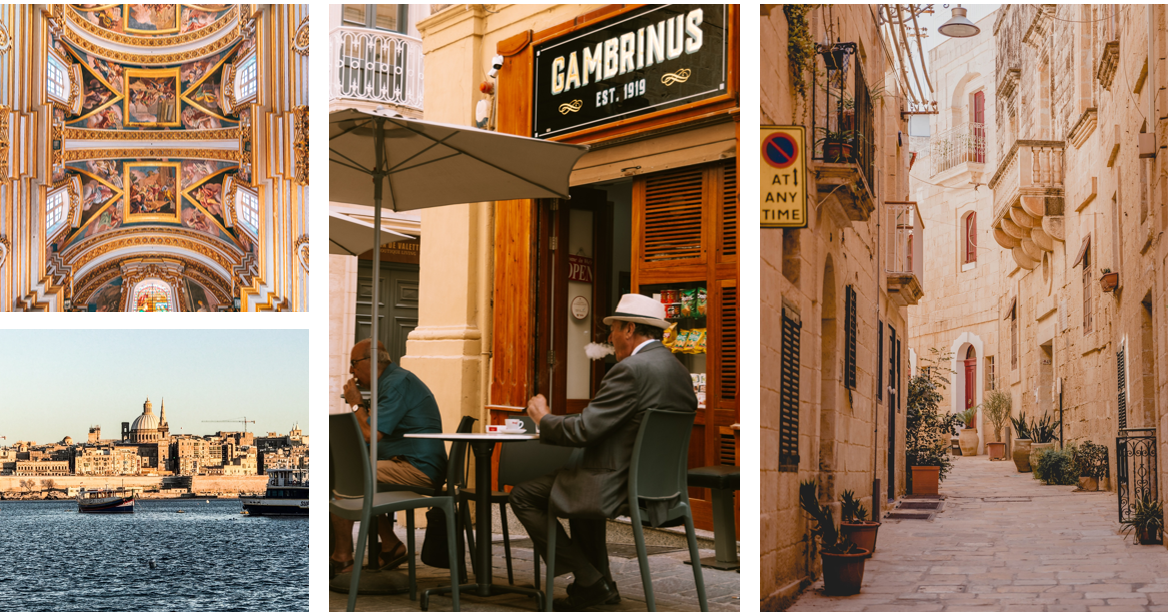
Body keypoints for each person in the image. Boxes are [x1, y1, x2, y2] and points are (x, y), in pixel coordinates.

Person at [512, 293, 698, 612]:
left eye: (613, 329)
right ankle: (600, 587)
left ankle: (588, 579)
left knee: (524, 496)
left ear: (628, 329)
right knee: (575, 488)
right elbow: (611, 423)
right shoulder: (678, 371)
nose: (609, 337)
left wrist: (543, 418)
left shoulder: (631, 369)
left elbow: (585, 430)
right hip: (660, 487)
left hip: (617, 482)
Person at [330, 339, 447, 576]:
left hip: (417, 466)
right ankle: (391, 544)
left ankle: (342, 558)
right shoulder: (388, 384)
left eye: (354, 363)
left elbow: (369, 434)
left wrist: (355, 404)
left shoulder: (396, 384)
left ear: (371, 361)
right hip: (400, 461)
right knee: (349, 476)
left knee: (347, 477)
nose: (351, 371)